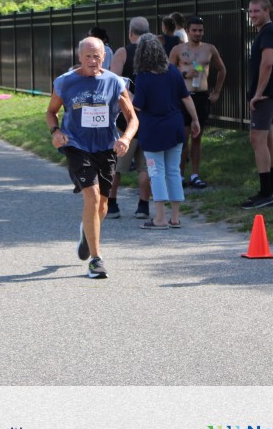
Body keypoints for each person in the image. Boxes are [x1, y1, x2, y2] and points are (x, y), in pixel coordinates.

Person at [46, 37, 137, 279]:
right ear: (79, 57)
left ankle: (87, 232)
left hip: (106, 148)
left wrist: (126, 138)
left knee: (103, 205)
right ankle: (96, 260)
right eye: (88, 56)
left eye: (97, 56)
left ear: (104, 57)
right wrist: (56, 132)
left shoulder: (114, 82)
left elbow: (132, 118)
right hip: (77, 146)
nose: (93, 61)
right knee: (93, 196)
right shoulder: (65, 82)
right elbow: (51, 112)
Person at [132, 34, 200, 228]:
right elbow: (186, 97)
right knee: (173, 171)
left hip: (153, 131)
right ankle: (175, 217)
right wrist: (195, 120)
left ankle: (160, 217)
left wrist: (126, 95)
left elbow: (138, 106)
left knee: (156, 172)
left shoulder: (143, 77)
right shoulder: (173, 71)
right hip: (175, 127)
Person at [168, 15, 227, 189]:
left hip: (201, 96)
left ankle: (195, 175)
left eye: (200, 30)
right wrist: (185, 74)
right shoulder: (178, 49)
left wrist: (216, 92)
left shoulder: (209, 49)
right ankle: (179, 175)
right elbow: (169, 72)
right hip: (184, 97)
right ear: (187, 31)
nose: (197, 33)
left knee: (197, 137)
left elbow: (221, 69)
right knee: (183, 137)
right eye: (194, 30)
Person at [242, 0, 273, 209]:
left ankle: (266, 193)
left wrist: (258, 93)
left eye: (256, 11)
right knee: (269, 139)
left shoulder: (268, 33)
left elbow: (267, 64)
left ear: (267, 11)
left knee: (257, 140)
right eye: (250, 11)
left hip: (266, 96)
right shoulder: (270, 31)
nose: (252, 15)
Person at [108, 16, 152, 219]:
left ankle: (112, 204)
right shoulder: (155, 53)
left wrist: (130, 100)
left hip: (126, 118)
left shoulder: (123, 52)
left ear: (130, 32)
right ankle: (143, 206)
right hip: (150, 117)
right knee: (145, 165)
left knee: (116, 164)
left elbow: (114, 82)